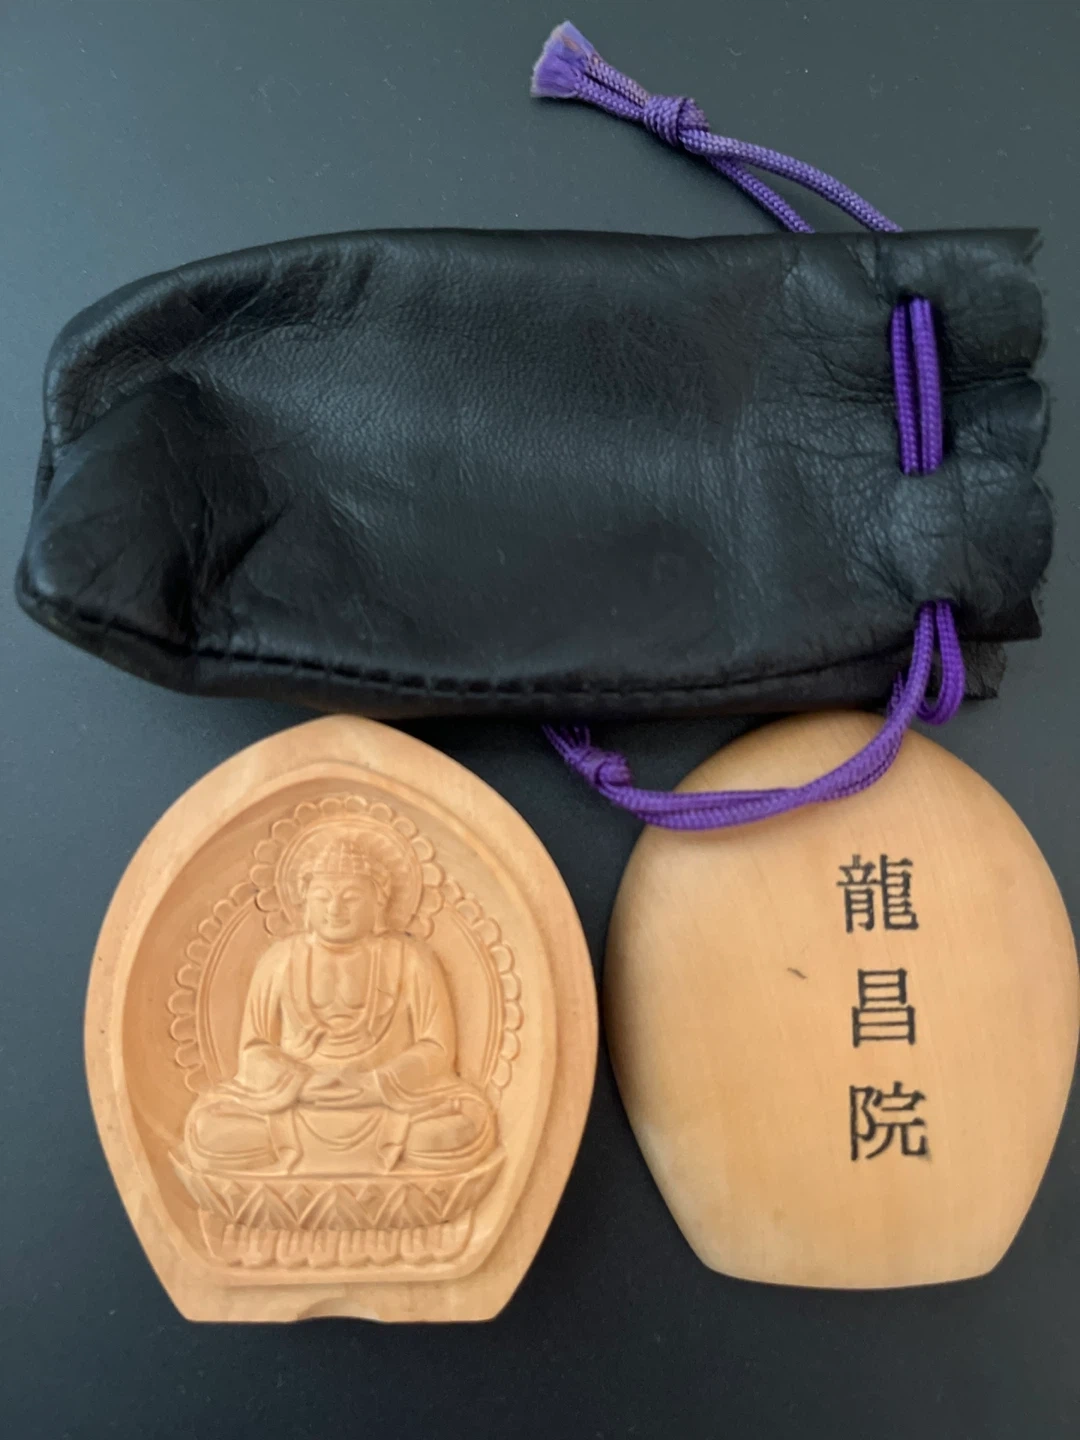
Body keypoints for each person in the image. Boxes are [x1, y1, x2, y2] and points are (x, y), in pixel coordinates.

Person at [183, 829, 496, 1177]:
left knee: (462, 1127)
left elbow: (436, 1049)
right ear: (305, 903)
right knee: (208, 1130)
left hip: (387, 1105)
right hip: (296, 1105)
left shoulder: (409, 959)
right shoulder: (279, 960)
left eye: (351, 898)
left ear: (378, 902)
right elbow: (253, 1050)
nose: (335, 909)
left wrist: (376, 1084)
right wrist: (301, 1084)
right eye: (322, 897)